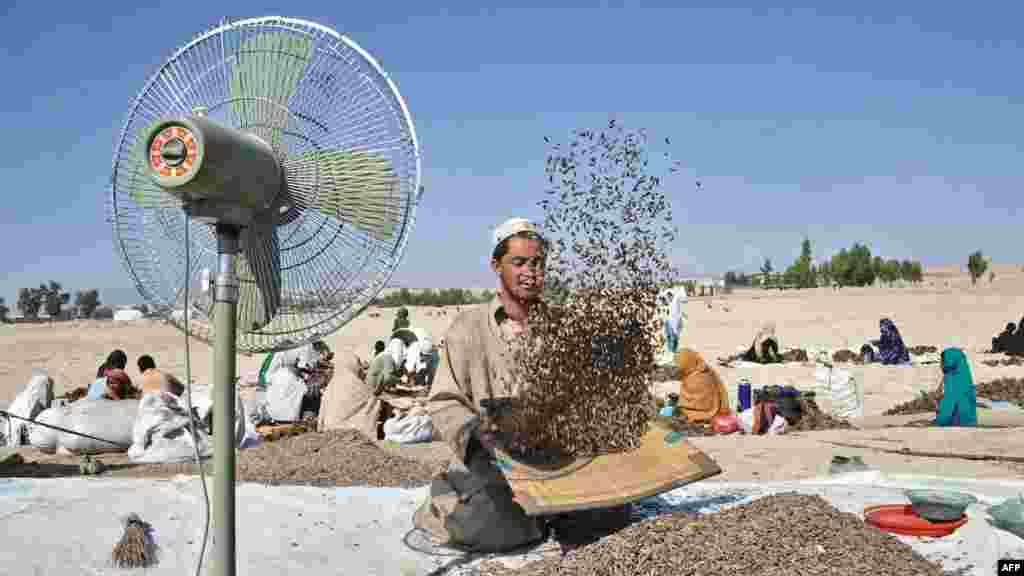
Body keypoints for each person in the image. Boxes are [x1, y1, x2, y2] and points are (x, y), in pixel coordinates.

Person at [414, 217, 630, 553]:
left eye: (538, 262)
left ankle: (555, 511)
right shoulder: (468, 328)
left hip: (557, 457)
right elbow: (444, 400)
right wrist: (476, 433)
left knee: (610, 513)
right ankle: (455, 498)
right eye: (519, 262)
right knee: (500, 529)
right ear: (496, 265)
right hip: (494, 462)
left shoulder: (562, 326)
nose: (531, 272)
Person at [676, 348, 731, 423]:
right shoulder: (703, 367)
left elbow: (697, 404)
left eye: (680, 363)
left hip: (707, 412)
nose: (679, 366)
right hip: (716, 409)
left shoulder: (695, 379)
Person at [933, 347, 977, 427]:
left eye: (942, 361)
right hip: (969, 422)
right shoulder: (965, 376)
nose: (940, 364)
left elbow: (948, 407)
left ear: (949, 362)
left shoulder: (953, 380)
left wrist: (938, 421)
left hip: (957, 425)